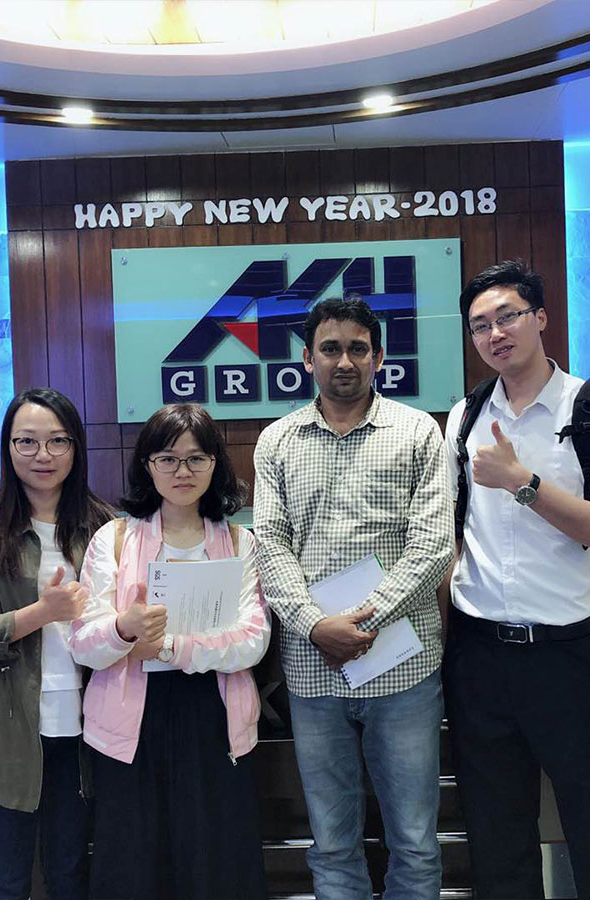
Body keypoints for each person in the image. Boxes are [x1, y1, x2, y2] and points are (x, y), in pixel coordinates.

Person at [441, 261, 590, 899]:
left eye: (507, 316)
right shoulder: (465, 415)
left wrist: (522, 483)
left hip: (567, 653)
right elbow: (457, 527)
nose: (495, 334)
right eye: (480, 325)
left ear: (540, 318)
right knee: (496, 834)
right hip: (479, 653)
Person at [253, 296, 453, 900]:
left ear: (379, 357)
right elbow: (270, 545)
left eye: (358, 349)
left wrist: (362, 622)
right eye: (331, 348)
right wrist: (317, 626)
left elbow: (433, 546)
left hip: (403, 670)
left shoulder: (417, 431)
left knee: (414, 841)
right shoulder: (277, 441)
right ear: (307, 358)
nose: (344, 361)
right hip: (313, 673)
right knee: (333, 843)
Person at [70, 403, 270, 900]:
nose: (183, 471)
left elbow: (252, 640)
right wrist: (123, 628)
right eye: (168, 459)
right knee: (133, 864)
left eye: (196, 458)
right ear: (147, 465)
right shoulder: (114, 539)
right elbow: (83, 642)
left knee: (215, 862)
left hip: (214, 716)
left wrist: (170, 647)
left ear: (215, 464)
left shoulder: (240, 542)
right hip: (130, 722)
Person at [0, 387, 113, 900]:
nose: (43, 455)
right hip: (4, 730)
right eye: (27, 441)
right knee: (6, 883)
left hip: (86, 730)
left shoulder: (106, 529)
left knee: (71, 877)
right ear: (8, 448)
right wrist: (40, 614)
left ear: (76, 448)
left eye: (58, 441)